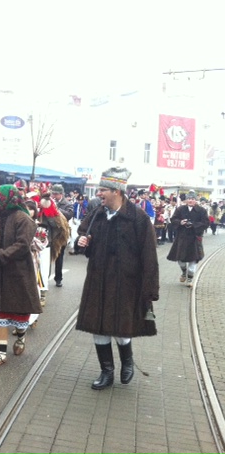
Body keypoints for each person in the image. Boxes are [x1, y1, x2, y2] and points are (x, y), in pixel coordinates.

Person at [75, 167, 159, 390]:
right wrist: (82, 243)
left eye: (103, 189)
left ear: (117, 191)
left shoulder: (138, 219)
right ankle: (106, 371)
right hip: (97, 280)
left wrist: (150, 289)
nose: (99, 193)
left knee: (121, 327)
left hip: (126, 283)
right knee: (98, 326)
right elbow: (83, 238)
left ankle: (127, 361)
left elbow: (150, 256)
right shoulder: (97, 214)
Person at [0, 185, 42, 366]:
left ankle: (21, 336)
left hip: (17, 272)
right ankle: (1, 353)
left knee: (18, 310)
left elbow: (22, 245)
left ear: (6, 199)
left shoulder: (24, 219)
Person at [166, 190, 210, 287]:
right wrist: (180, 222)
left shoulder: (202, 211)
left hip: (195, 238)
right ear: (186, 200)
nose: (191, 200)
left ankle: (190, 278)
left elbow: (206, 223)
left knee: (193, 259)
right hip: (181, 237)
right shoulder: (180, 209)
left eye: (193, 199)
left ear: (196, 200)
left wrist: (194, 225)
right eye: (189, 199)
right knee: (180, 260)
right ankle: (183, 271)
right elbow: (173, 219)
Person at [49, 184, 73, 287]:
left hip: (61, 234)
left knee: (59, 257)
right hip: (50, 233)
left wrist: (55, 208)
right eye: (53, 193)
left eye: (56, 194)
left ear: (61, 194)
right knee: (47, 256)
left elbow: (69, 215)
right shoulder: (49, 201)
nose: (54, 195)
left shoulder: (67, 204)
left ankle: (58, 279)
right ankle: (44, 278)